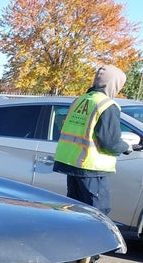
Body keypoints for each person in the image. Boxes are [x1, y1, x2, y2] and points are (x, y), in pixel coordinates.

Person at [53, 64, 137, 215]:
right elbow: (110, 142)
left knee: (75, 212)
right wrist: (126, 147)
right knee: (97, 214)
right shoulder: (107, 105)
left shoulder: (80, 100)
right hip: (91, 169)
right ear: (114, 84)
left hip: (72, 165)